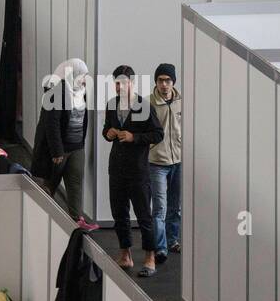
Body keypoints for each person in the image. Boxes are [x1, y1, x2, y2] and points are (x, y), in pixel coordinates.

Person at [104, 65, 162, 277]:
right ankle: (125, 254)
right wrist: (107, 133)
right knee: (119, 214)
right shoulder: (112, 105)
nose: (120, 87)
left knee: (144, 216)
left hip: (138, 170)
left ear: (132, 83)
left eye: (124, 83)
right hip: (116, 169)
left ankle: (150, 257)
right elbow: (105, 129)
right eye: (117, 83)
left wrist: (134, 137)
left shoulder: (144, 107)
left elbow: (157, 134)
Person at [30, 58, 99, 232]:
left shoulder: (81, 91)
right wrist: (56, 151)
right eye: (82, 75)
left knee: (76, 182)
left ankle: (77, 220)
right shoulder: (56, 92)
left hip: (77, 147)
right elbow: (51, 124)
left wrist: (81, 142)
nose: (84, 79)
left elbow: (82, 119)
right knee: (50, 183)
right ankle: (39, 218)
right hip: (60, 148)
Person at [148, 62, 183, 264]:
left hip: (178, 160)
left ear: (173, 81)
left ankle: (173, 240)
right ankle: (160, 248)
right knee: (159, 208)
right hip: (157, 162)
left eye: (167, 80)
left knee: (175, 206)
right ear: (156, 82)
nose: (164, 84)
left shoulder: (182, 102)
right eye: (160, 80)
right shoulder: (148, 104)